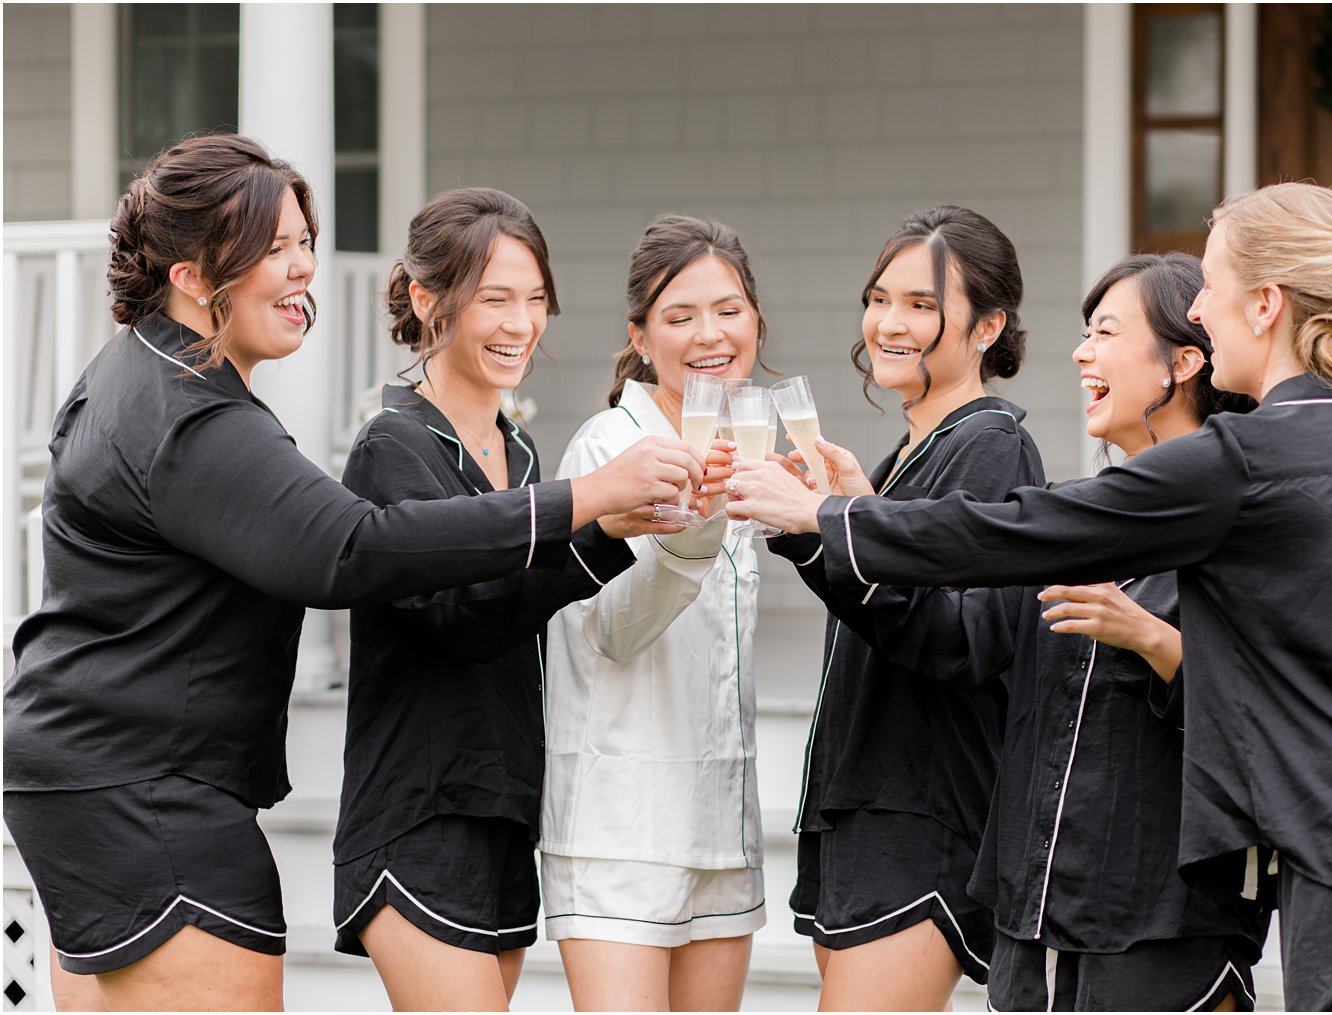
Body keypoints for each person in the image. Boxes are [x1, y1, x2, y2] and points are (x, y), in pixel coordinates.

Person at [726, 182, 1332, 1012]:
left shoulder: (1248, 458)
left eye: (1210, 287)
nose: (1201, 310)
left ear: (1267, 305)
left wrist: (825, 517)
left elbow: (1023, 529)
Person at [2, 135, 701, 1012]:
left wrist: (592, 528)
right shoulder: (187, 411)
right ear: (190, 273)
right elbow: (352, 549)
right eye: (273, 248)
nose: (302, 270)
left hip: (99, 776)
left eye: (305, 243)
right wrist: (585, 497)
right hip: (143, 788)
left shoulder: (151, 380)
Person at [330, 188, 642, 1009]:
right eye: (495, 298)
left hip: (506, 809)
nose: (521, 323)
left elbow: (514, 614)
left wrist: (612, 528)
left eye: (535, 299)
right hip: (419, 813)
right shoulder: (390, 445)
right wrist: (596, 523)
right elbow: (463, 617)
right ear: (429, 300)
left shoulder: (520, 451)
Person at [766, 205, 1044, 1010]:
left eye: (922, 304)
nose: (889, 322)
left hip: (922, 814)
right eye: (880, 297)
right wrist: (846, 508)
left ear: (988, 325)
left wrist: (818, 527)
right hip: (865, 805)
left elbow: (961, 638)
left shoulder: (991, 444)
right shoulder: (907, 456)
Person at [981, 253, 1266, 1011]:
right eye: (1084, 332)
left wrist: (1150, 637)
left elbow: (1269, 712)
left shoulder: (1246, 519)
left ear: (1182, 362)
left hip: (1165, 925)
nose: (1081, 352)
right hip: (1034, 911)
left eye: (1105, 332)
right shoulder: (1074, 514)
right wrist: (846, 518)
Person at [541, 215, 768, 1011]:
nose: (710, 334)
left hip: (722, 830)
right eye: (680, 317)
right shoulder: (609, 448)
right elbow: (612, 628)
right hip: (618, 832)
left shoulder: (751, 453)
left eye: (729, 309)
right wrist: (693, 538)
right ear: (640, 337)